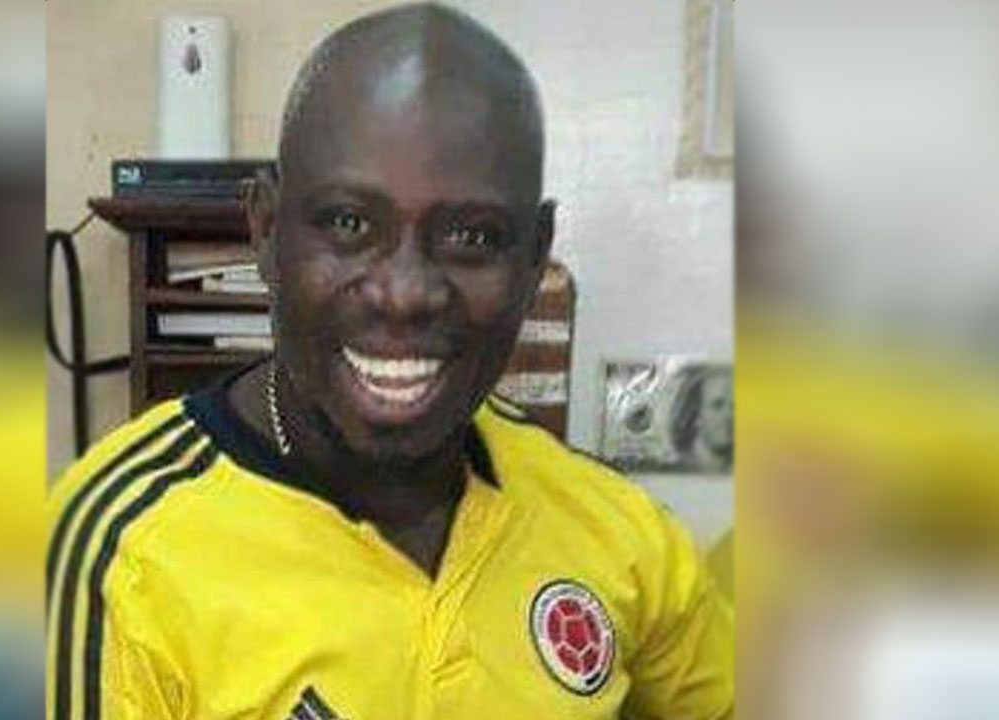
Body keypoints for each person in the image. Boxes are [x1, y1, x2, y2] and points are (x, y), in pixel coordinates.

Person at [47, 4, 733, 719]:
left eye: (473, 235)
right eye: (348, 223)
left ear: (535, 258)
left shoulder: (616, 529)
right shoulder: (122, 558)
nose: (404, 294)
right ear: (267, 231)